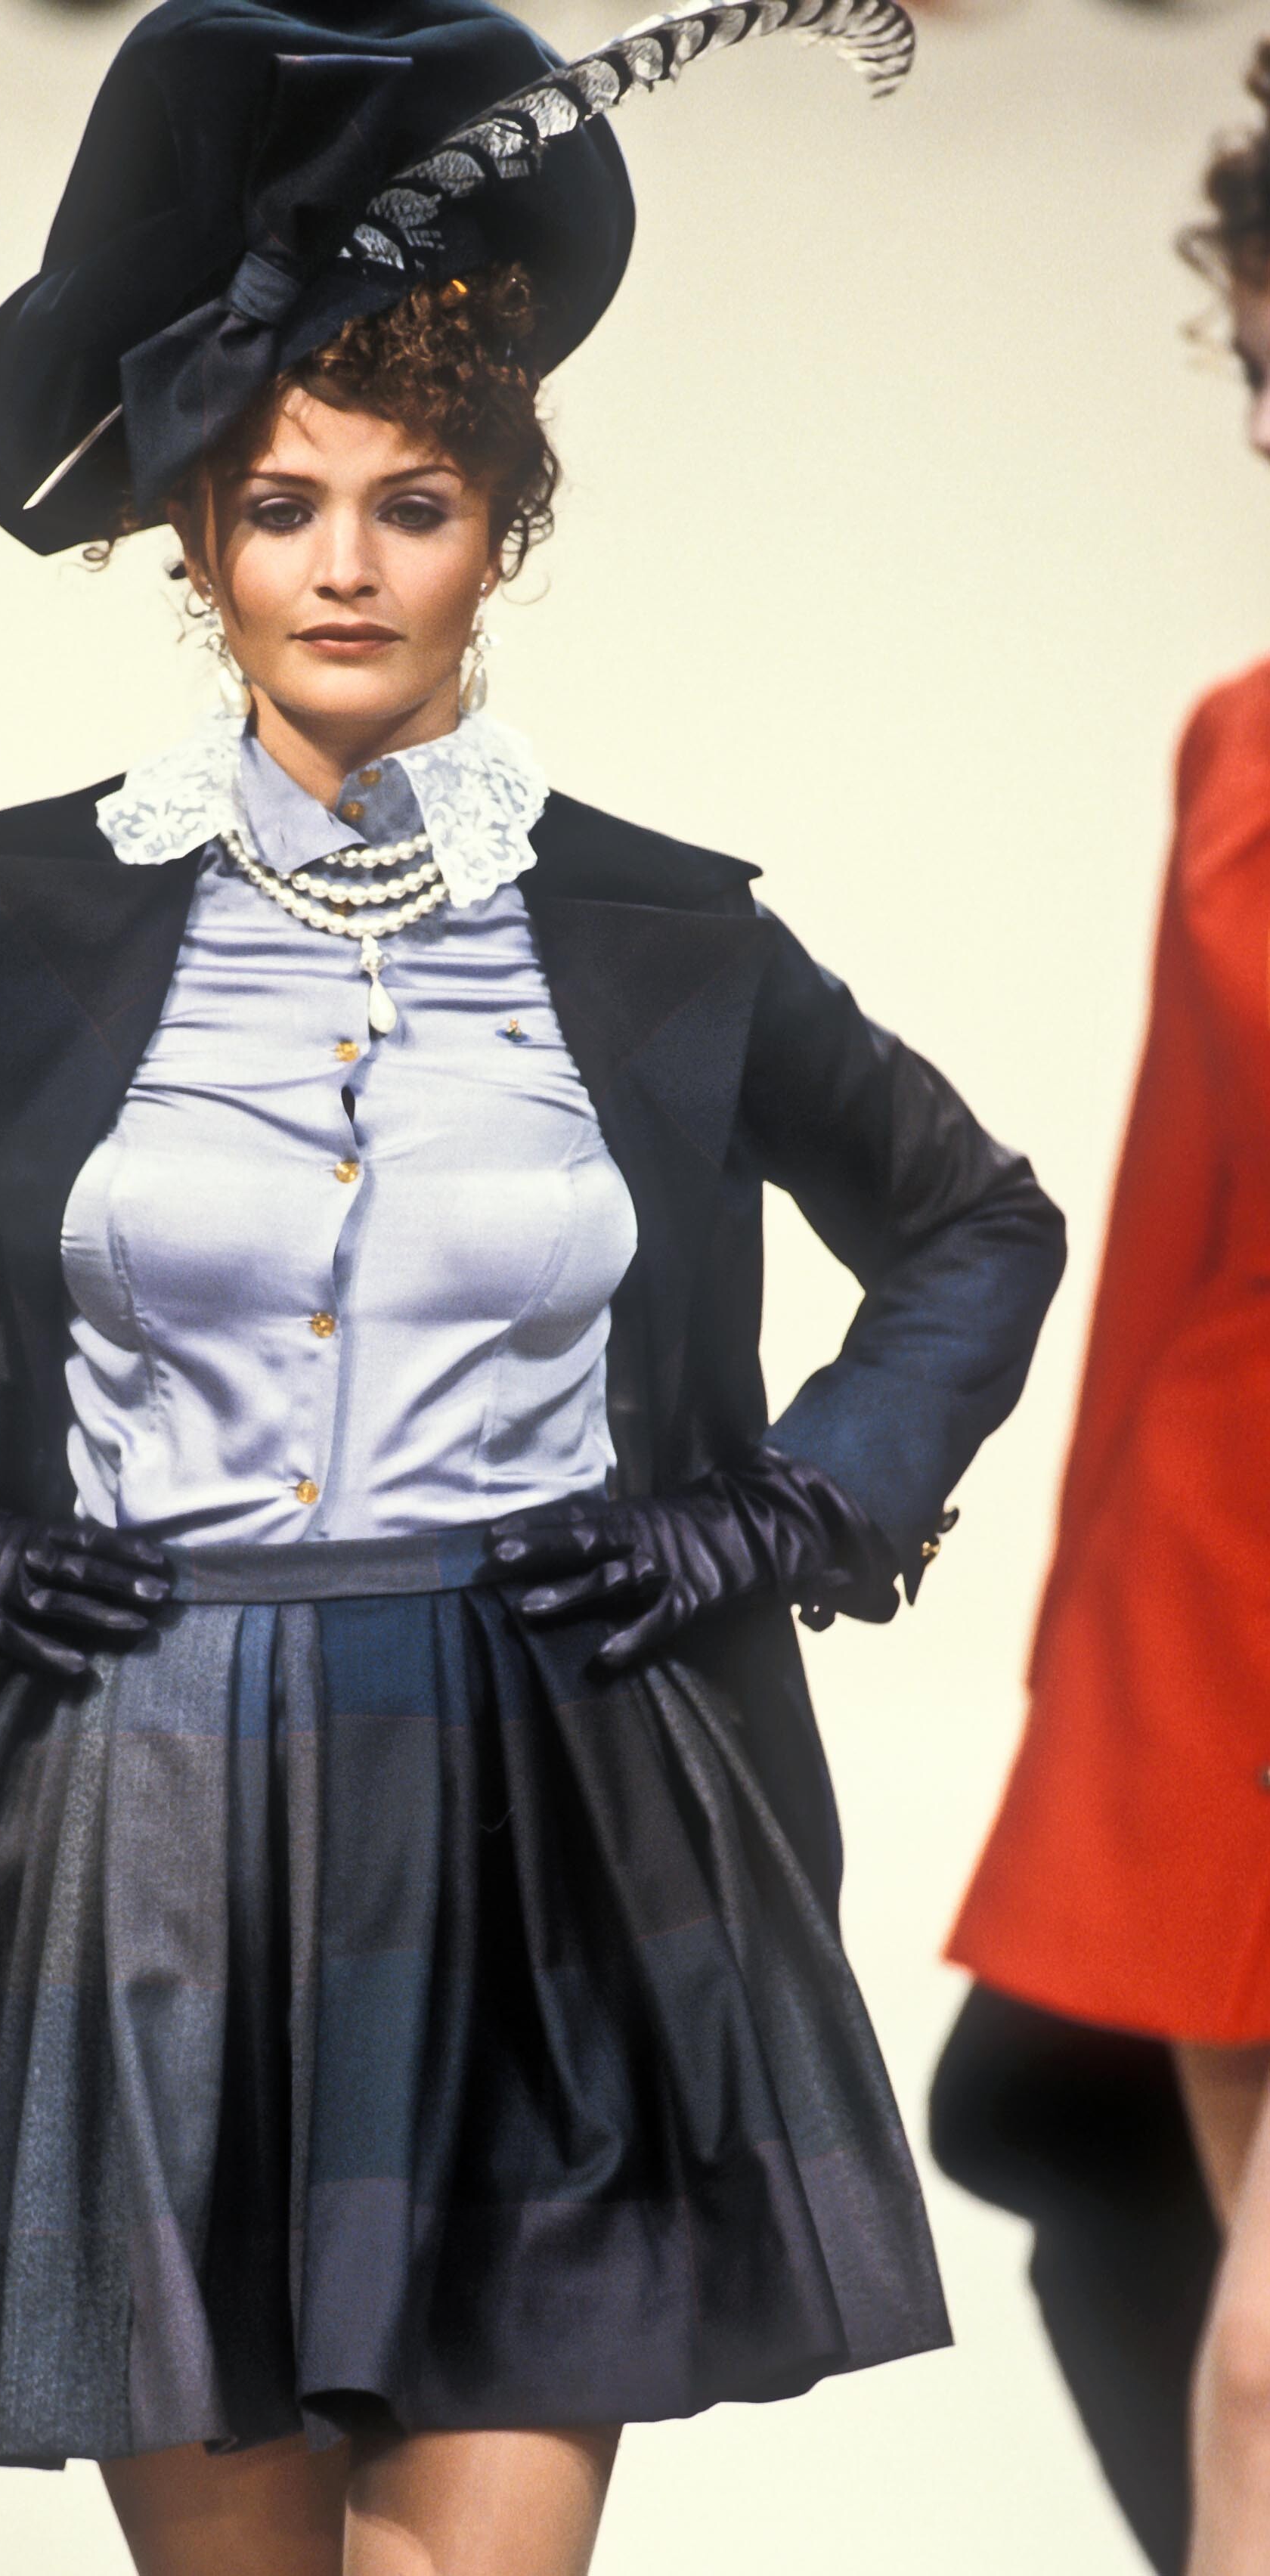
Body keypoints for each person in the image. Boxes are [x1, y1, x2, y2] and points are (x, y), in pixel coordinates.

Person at [0, 2, 1064, 2570]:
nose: (347, 567)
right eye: (283, 506)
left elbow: (979, 1224)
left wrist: (788, 1513)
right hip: (140, 1801)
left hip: (555, 1798)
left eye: (414, 503)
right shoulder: (20, 910)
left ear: (504, 532)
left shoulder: (663, 936)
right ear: (198, 543)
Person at [939, 44, 1270, 2576]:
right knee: (1227, 2346)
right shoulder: (1241, 751)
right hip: (1225, 1620)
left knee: (1262, 2364)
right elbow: (1174, 1222)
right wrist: (1085, 1693)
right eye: (1260, 367)